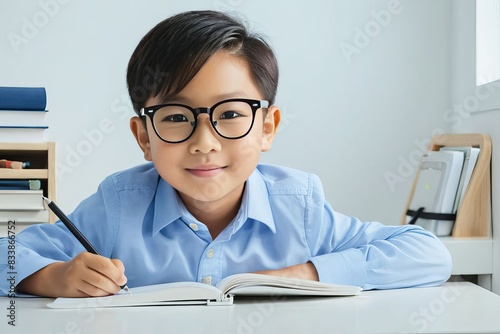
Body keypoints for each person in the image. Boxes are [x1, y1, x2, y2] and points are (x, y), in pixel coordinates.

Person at [0, 10, 451, 298]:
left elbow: (428, 253)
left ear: (267, 127)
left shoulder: (300, 206)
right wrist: (53, 278)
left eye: (231, 114)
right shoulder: (119, 204)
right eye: (176, 117)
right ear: (143, 136)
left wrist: (306, 274)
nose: (205, 141)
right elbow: (7, 255)